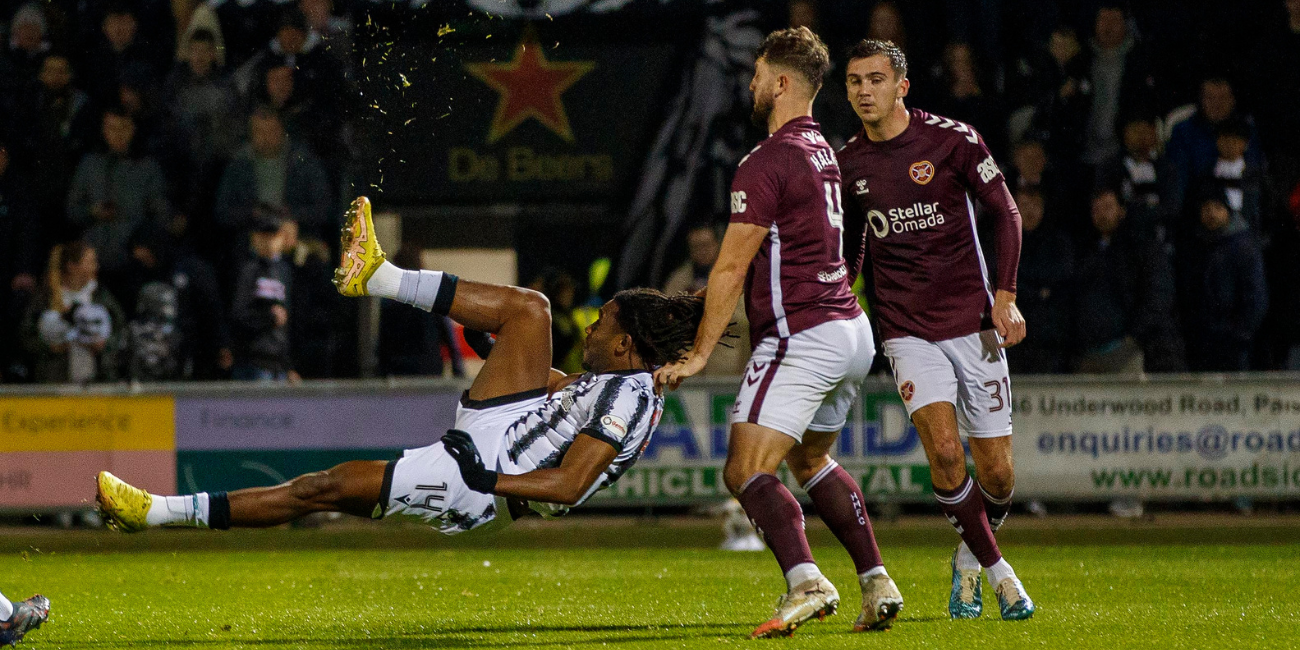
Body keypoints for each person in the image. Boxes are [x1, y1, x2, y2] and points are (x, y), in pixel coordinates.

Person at [97, 196, 705, 540]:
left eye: (602, 324)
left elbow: (569, 487)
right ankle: (379, 275)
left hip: (482, 474)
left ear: (626, 346)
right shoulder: (617, 383)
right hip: (496, 439)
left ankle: (154, 512)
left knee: (321, 489)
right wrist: (502, 356)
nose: (591, 328)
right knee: (529, 313)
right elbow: (558, 397)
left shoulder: (629, 397)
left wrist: (487, 479)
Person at [655, 28, 899, 638]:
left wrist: (699, 353)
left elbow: (730, 266)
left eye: (759, 73)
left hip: (802, 334)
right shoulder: (826, 153)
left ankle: (807, 582)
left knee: (743, 470)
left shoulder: (765, 161)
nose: (751, 84)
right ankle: (877, 581)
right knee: (810, 457)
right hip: (850, 330)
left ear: (782, 82)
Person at [835, 39, 1034, 622]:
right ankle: (1001, 574)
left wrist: (1006, 296)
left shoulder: (953, 140)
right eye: (854, 82)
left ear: (902, 86)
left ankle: (968, 558)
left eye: (875, 79)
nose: (864, 91)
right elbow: (850, 246)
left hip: (973, 323)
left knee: (998, 474)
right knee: (946, 455)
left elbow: (1007, 213)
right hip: (905, 329)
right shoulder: (849, 164)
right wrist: (839, 297)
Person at [1177, 187, 1268, 371]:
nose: (1211, 214)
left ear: (1228, 210)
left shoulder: (1244, 248)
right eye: (1206, 209)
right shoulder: (1196, 247)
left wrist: (1240, 334)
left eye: (1217, 207)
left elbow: (1255, 298)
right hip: (1201, 344)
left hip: (1235, 345)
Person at [20, 242, 126, 383]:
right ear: (72, 266)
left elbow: (120, 330)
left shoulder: (101, 296)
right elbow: (27, 336)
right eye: (90, 262)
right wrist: (52, 348)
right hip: (54, 379)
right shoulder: (46, 298)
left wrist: (104, 345)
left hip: (98, 379)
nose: (96, 267)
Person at [662, 224, 750, 375]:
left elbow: (744, 318)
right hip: (687, 364)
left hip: (726, 364)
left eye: (705, 245)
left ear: (716, 245)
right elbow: (666, 319)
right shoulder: (679, 280)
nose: (701, 251)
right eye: (696, 246)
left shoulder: (733, 277)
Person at [229, 214, 293, 381]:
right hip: (253, 360)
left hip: (278, 362)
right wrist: (269, 317)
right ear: (255, 238)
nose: (269, 242)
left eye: (273, 236)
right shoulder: (248, 270)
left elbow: (289, 321)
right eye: (264, 236)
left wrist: (289, 365)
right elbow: (239, 314)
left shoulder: (284, 271)